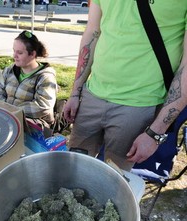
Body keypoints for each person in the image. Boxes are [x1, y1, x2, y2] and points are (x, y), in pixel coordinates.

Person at [63, 0, 187, 171]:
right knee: (73, 169)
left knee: (115, 179)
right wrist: (75, 93)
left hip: (138, 106)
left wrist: (155, 133)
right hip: (91, 96)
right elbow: (92, 32)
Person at [0, 30, 57, 129]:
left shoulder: (45, 77)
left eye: (20, 53)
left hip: (33, 125)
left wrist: (12, 111)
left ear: (32, 54)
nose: (14, 56)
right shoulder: (9, 70)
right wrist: (6, 111)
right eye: (14, 51)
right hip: (8, 117)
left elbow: (43, 106)